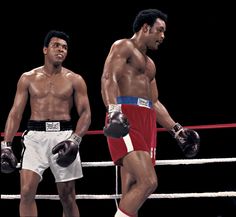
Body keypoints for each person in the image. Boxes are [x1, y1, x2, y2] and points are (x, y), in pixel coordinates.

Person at [101, 9, 200, 217]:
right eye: (160, 30)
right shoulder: (123, 46)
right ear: (146, 28)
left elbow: (154, 102)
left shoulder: (150, 65)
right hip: (125, 118)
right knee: (148, 181)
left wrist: (177, 130)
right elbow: (108, 79)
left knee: (133, 189)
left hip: (147, 121)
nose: (163, 36)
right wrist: (114, 111)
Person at [1, 30, 91, 217]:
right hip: (35, 137)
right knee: (26, 192)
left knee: (67, 196)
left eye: (65, 47)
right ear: (45, 49)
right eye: (56, 46)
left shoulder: (75, 79)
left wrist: (75, 140)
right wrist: (6, 145)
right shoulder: (28, 78)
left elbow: (86, 113)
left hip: (64, 136)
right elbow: (15, 113)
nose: (61, 50)